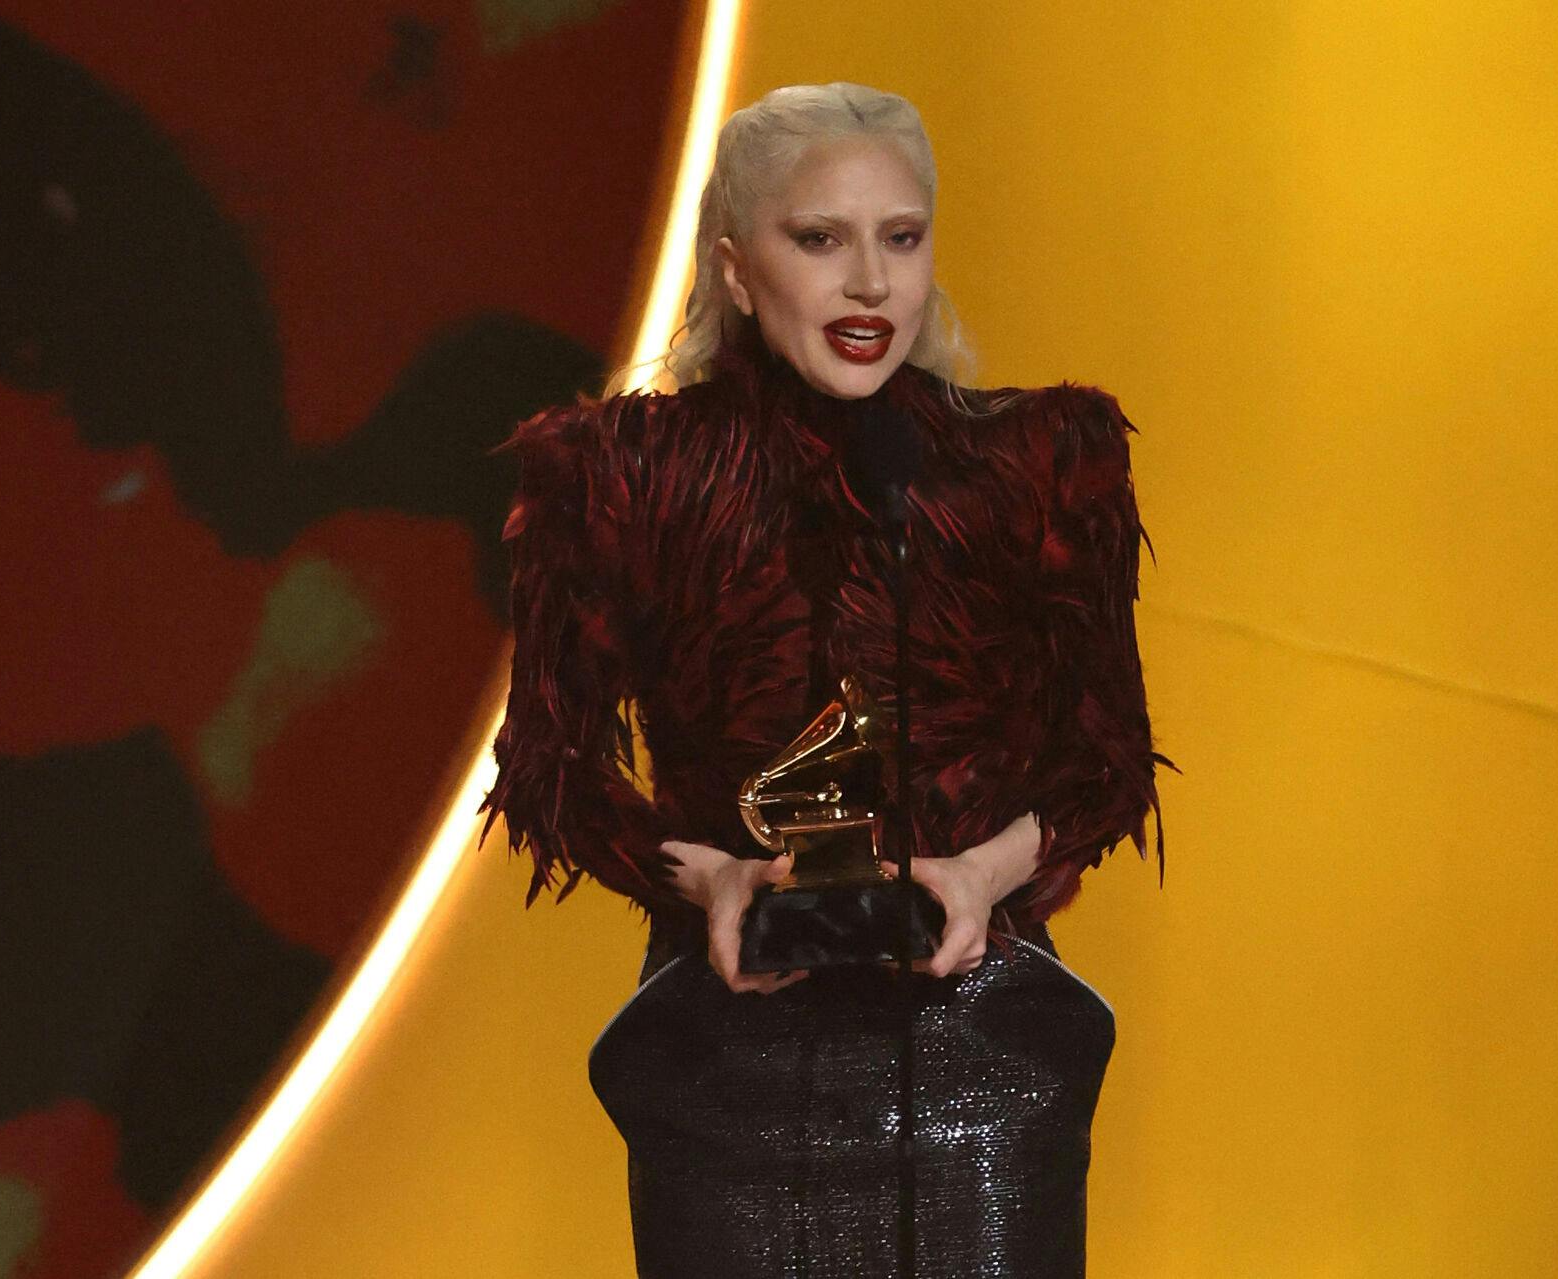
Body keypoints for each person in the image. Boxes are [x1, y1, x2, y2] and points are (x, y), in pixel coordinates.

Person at [481, 81, 1165, 1279]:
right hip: (726, 1070)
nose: (870, 284)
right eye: (820, 239)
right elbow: (550, 769)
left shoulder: (1038, 463)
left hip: (981, 1061)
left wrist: (976, 877)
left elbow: (1104, 764)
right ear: (739, 270)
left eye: (901, 238)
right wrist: (720, 883)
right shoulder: (619, 477)